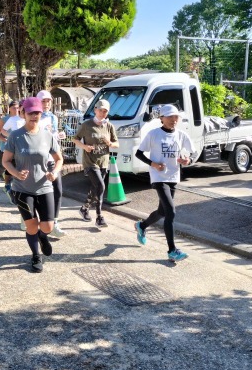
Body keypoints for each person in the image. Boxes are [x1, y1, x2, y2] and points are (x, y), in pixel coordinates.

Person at [2, 96, 63, 273]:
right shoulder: (15, 136)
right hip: (22, 189)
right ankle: (36, 255)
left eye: (37, 113)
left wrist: (54, 172)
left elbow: (59, 159)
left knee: (48, 227)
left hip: (44, 187)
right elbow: (6, 161)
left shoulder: (47, 135)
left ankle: (43, 237)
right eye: (30, 113)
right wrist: (16, 173)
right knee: (31, 225)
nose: (34, 116)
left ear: (41, 114)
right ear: (23, 114)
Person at [134, 104, 195, 263]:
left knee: (162, 212)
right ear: (162, 118)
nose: (174, 120)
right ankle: (172, 251)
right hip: (158, 177)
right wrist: (153, 164)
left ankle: (142, 226)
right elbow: (139, 153)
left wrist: (187, 160)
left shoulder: (181, 135)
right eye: (170, 117)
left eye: (176, 117)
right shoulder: (153, 134)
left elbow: (192, 154)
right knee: (171, 212)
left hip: (173, 176)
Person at [73, 99, 119, 230]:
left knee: (95, 188)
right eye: (100, 110)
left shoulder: (109, 126)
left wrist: (109, 143)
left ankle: (84, 208)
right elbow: (75, 139)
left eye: (105, 111)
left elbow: (116, 144)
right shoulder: (86, 125)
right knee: (100, 186)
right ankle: (99, 217)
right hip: (90, 161)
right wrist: (85, 147)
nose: (102, 113)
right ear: (95, 110)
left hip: (103, 161)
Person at [36, 90, 67, 238]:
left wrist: (59, 135)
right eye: (43, 101)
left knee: (58, 190)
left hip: (51, 159)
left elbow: (52, 136)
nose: (46, 104)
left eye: (48, 101)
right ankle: (31, 218)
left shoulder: (53, 117)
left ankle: (54, 222)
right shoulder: (33, 116)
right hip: (37, 160)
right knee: (37, 192)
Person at [0, 100, 19, 198]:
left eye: (18, 108)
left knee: (17, 165)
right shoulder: (5, 119)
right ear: (9, 109)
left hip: (18, 146)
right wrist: (4, 140)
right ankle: (7, 184)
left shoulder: (22, 118)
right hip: (7, 146)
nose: (16, 110)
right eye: (14, 108)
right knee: (9, 165)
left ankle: (16, 185)